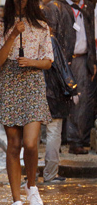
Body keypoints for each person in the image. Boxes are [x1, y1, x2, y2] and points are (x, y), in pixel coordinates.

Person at [0, 0, 53, 205]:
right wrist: (14, 33)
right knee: (13, 145)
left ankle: (32, 185)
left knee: (30, 143)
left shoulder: (42, 26)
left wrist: (32, 63)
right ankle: (16, 200)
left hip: (33, 83)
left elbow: (48, 61)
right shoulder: (1, 25)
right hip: (9, 83)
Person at [45, 0, 96, 155]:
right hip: (62, 60)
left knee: (80, 101)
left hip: (83, 59)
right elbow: (50, 36)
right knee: (61, 99)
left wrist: (93, 60)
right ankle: (59, 140)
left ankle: (76, 140)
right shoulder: (55, 6)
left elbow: (91, 34)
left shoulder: (88, 7)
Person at [42, 30, 77, 183]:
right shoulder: (50, 40)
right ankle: (50, 174)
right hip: (52, 93)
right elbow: (62, 68)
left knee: (32, 136)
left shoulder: (25, 39)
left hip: (33, 92)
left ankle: (29, 177)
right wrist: (72, 89)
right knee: (53, 134)